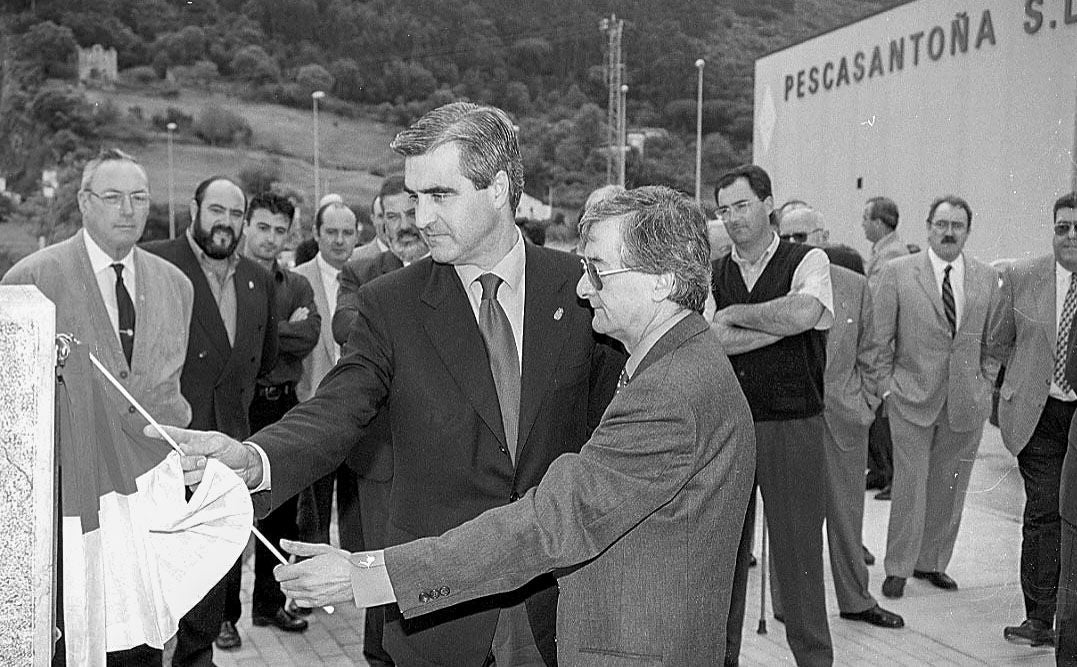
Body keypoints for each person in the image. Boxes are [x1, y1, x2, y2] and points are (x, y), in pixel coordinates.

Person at [156, 101, 624, 666]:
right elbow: (337, 409)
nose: (418, 219)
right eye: (414, 197)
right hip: (438, 616)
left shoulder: (581, 293)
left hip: (557, 607)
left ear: (498, 189)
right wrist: (257, 459)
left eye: (439, 196)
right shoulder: (391, 304)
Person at [271, 185, 756, 665]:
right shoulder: (680, 363)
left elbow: (551, 521)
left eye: (599, 271)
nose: (584, 289)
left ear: (663, 281)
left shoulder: (669, 395)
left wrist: (369, 574)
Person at [2, 148, 194, 666]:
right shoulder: (30, 279)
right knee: (77, 635)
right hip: (72, 498)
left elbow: (172, 389)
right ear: (84, 202)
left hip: (152, 496)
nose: (127, 210)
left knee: (148, 636)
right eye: (113, 197)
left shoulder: (177, 285)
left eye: (138, 198)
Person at [142, 176, 278, 667]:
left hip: (227, 460)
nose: (226, 222)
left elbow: (262, 361)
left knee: (211, 582)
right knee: (159, 592)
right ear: (194, 209)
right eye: (216, 209)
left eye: (236, 213)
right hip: (165, 457)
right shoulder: (154, 264)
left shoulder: (259, 280)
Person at [711, 164, 834, 666]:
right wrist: (783, 323)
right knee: (724, 561)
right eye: (724, 210)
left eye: (742, 205)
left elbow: (807, 314)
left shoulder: (809, 259)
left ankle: (814, 660)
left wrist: (736, 314)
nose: (733, 218)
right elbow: (711, 337)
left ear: (768, 204)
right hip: (730, 430)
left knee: (800, 558)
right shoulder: (712, 271)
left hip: (794, 425)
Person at [774, 206, 903, 629]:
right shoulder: (774, 285)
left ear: (823, 234)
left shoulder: (855, 286)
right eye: (788, 238)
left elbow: (872, 352)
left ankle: (856, 599)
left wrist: (864, 407)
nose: (796, 246)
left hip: (843, 424)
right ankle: (788, 603)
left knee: (847, 520)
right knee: (792, 521)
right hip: (789, 419)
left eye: (804, 236)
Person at [875, 195, 999, 600]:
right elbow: (879, 339)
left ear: (967, 231)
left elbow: (996, 343)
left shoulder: (984, 277)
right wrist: (887, 387)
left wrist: (985, 383)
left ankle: (932, 563)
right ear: (928, 226)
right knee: (910, 485)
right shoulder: (898, 273)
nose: (949, 232)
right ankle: (898, 567)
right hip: (911, 397)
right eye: (942, 224)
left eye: (957, 226)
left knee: (950, 485)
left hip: (965, 401)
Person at [329, 173, 428, 666]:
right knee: (376, 570)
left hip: (441, 452)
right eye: (392, 216)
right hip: (382, 454)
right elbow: (344, 323)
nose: (404, 225)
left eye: (412, 213)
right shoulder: (363, 271)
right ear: (379, 223)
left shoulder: (453, 266)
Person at [214, 193, 320, 646]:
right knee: (230, 513)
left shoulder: (296, 286)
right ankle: (222, 616)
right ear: (245, 226)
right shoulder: (225, 280)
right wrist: (279, 329)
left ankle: (269, 606)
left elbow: (308, 335)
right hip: (239, 407)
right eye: (262, 227)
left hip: (284, 406)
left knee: (279, 513)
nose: (270, 239)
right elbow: (237, 344)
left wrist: (266, 328)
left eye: (280, 231)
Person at [987, 192, 1077, 649]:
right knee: (1043, 509)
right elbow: (998, 341)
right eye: (1063, 226)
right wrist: (1002, 394)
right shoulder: (1023, 276)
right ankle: (1039, 618)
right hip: (1038, 415)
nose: (1071, 236)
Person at [292, 200, 362, 571]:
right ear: (316, 234)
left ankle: (352, 576)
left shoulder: (370, 277)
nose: (339, 240)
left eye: (347, 232)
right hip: (315, 410)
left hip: (361, 415)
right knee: (312, 509)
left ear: (358, 236)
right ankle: (305, 582)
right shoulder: (296, 280)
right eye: (331, 232)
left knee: (357, 505)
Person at [862, 196, 909, 498]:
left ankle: (893, 475)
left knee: (885, 413)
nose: (863, 225)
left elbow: (881, 304)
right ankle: (880, 470)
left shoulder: (892, 256)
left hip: (885, 344)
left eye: (866, 218)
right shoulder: (882, 252)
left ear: (879, 222)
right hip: (879, 342)